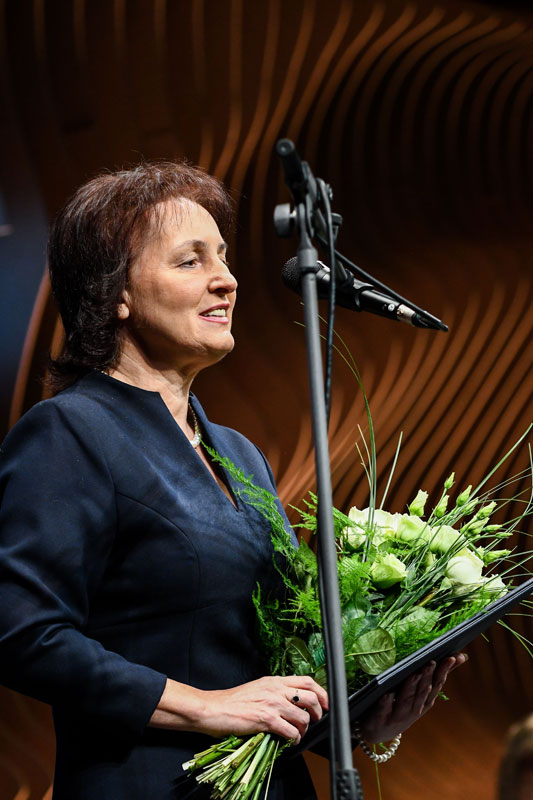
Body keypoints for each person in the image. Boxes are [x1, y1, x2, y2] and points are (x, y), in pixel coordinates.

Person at [0, 161, 464, 800]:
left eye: (222, 256)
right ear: (116, 294)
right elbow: (21, 633)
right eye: (190, 261)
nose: (226, 279)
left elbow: (263, 678)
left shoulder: (240, 454)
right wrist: (204, 706)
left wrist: (364, 721)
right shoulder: (69, 433)